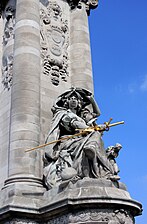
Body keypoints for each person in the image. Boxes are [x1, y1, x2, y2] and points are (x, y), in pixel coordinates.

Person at [43, 87, 115, 189]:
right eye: (71, 98)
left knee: (96, 136)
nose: (73, 100)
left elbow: (97, 114)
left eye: (76, 99)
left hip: (80, 139)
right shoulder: (63, 114)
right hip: (67, 141)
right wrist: (93, 128)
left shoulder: (81, 115)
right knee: (94, 135)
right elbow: (74, 124)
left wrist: (92, 100)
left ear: (79, 102)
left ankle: (104, 172)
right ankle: (94, 155)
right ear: (66, 101)